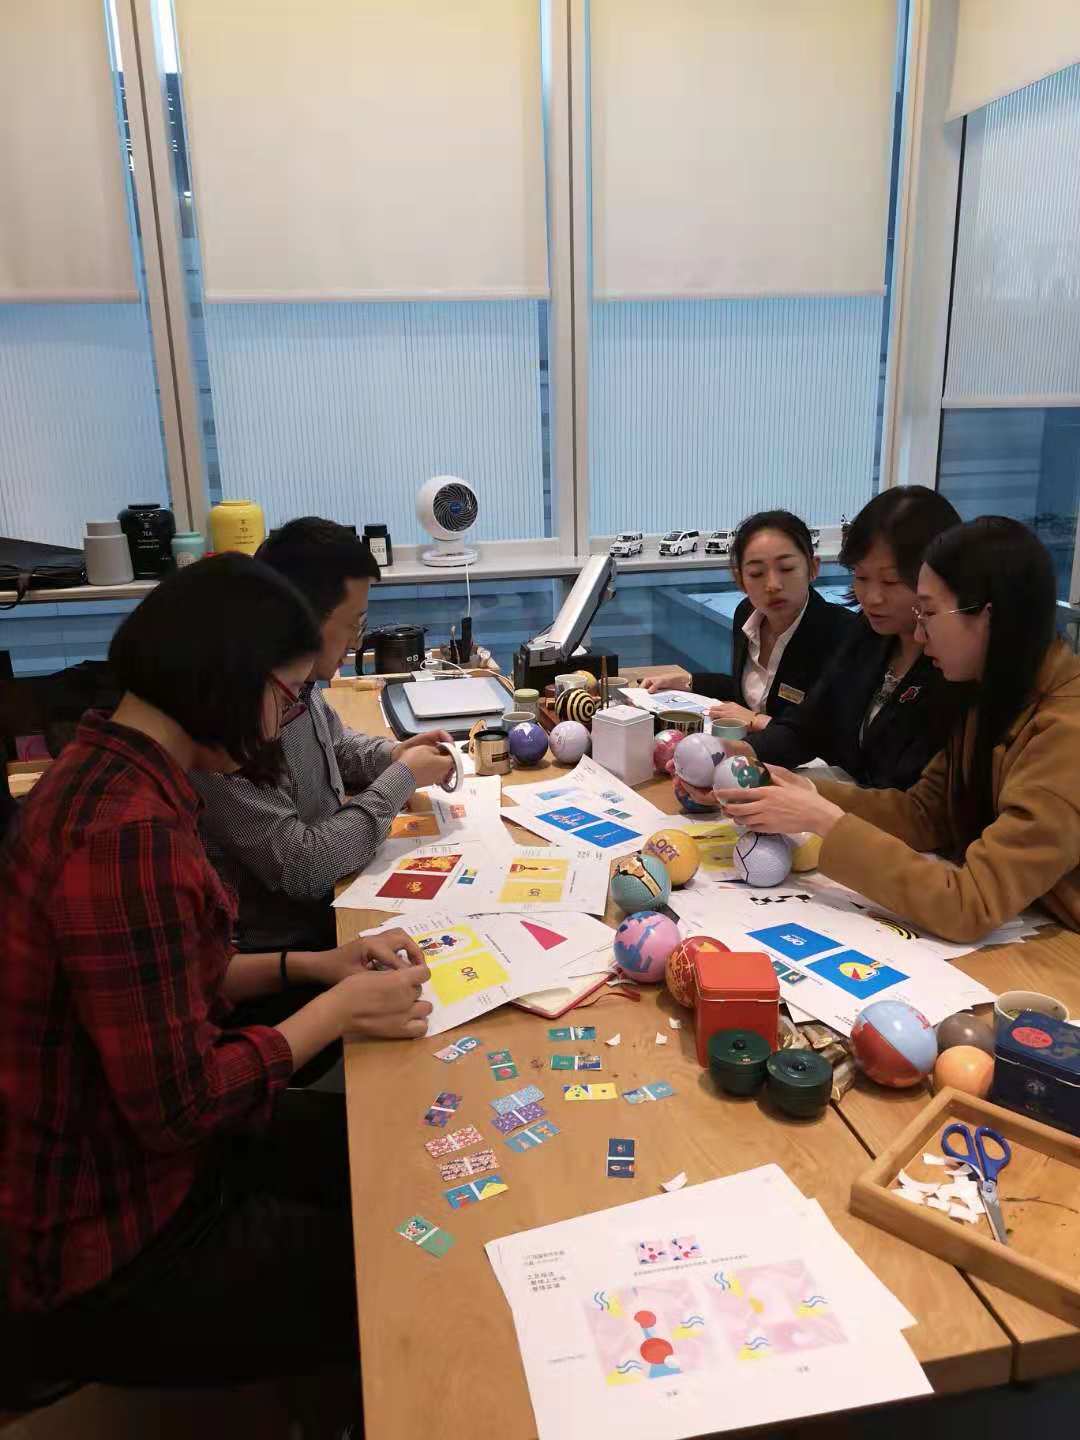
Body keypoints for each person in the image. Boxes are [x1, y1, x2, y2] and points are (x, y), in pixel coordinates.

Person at [0, 555, 432, 1404]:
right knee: (407, 1265)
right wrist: (336, 1010)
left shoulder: (111, 766)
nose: (282, 724)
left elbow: (173, 978)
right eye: (284, 696)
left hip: (147, 1158)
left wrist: (315, 967)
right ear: (228, 679)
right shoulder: (126, 836)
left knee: (396, 1161)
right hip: (107, 1241)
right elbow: (181, 1106)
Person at [716, 518, 1080, 944]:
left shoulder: (1065, 731)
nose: (920, 635)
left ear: (988, 616)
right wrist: (808, 793)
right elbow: (924, 814)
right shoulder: (992, 693)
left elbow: (970, 904)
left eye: (929, 613)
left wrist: (825, 821)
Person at [195, 517, 454, 953]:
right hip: (285, 946)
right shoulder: (230, 725)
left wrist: (393, 755)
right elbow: (305, 866)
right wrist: (402, 779)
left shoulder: (300, 684)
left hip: (335, 902)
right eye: (354, 624)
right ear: (301, 620)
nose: (355, 643)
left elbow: (333, 743)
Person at [745, 486, 966, 790]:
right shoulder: (868, 633)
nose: (872, 598)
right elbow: (810, 724)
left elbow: (918, 798)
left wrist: (811, 794)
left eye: (891, 581)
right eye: (861, 577)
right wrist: (743, 752)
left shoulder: (956, 665)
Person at [642, 510, 859, 733]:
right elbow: (753, 694)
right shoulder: (746, 614)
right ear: (740, 580)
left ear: (813, 568)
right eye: (756, 573)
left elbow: (828, 734)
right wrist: (689, 682)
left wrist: (756, 720)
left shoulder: (844, 634)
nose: (772, 585)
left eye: (786, 569)